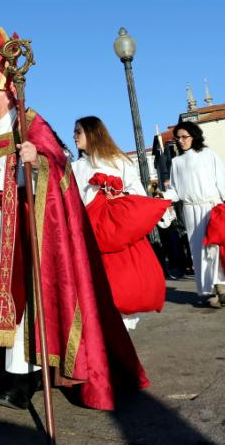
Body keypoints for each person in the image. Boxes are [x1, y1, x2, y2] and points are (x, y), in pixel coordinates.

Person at [0, 29, 148, 412]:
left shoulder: (34, 126)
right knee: (4, 299)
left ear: (8, 94)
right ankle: (16, 370)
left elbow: (60, 170)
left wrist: (38, 160)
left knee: (28, 299)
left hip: (30, 230)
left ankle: (23, 378)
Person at [71, 116, 170, 330]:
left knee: (124, 283)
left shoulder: (118, 161)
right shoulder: (75, 168)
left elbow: (138, 193)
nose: (74, 136)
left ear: (92, 133)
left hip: (120, 232)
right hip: (92, 234)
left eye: (78, 131)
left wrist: (118, 195)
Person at [168, 121, 225, 308]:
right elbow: (176, 190)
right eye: (178, 138)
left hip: (211, 206)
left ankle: (222, 287)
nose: (181, 141)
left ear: (194, 136)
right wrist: (163, 197)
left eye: (184, 136)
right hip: (190, 210)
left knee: (216, 247)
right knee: (199, 250)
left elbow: (222, 179)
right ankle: (209, 289)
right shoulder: (176, 162)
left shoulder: (208, 155)